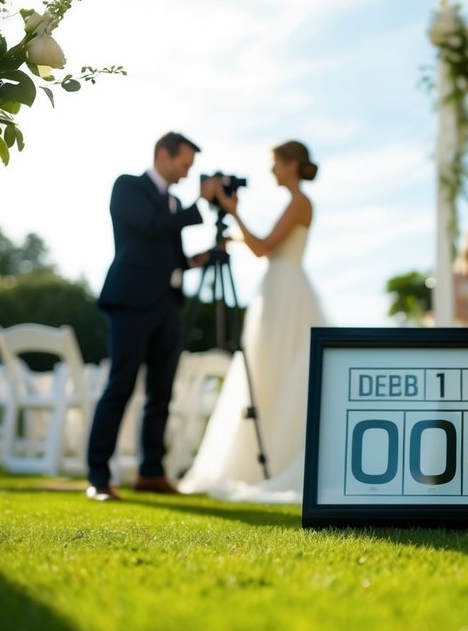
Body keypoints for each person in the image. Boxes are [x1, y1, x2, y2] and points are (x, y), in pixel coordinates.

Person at [180, 140, 327, 503]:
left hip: (287, 293)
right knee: (267, 372)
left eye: (276, 163)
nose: (272, 170)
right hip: (279, 289)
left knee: (282, 370)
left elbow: (263, 247)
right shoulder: (294, 203)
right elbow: (265, 246)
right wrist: (236, 230)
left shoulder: (300, 203)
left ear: (292, 164)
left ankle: (277, 460)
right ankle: (262, 459)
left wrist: (234, 211)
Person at [85, 132, 222, 501]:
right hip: (130, 302)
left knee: (161, 394)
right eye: (184, 163)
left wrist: (203, 257)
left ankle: (151, 472)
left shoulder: (175, 203)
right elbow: (149, 226)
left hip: (166, 305)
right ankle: (98, 477)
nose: (187, 171)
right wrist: (200, 205)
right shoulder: (128, 186)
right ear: (164, 154)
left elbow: (172, 257)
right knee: (121, 386)